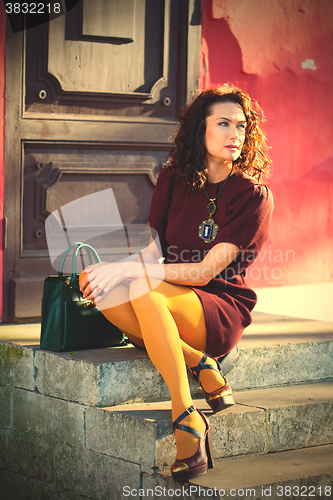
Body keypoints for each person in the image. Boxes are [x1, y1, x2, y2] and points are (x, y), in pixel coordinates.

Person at [79, 84, 274, 482]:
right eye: (223, 123)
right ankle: (197, 362)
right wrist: (116, 269)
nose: (234, 133)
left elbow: (204, 272)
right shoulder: (171, 179)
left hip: (216, 307)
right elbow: (153, 256)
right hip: (164, 295)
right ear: (199, 130)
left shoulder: (253, 196)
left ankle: (186, 415)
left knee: (139, 286)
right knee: (93, 279)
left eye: (241, 125)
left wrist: (130, 273)